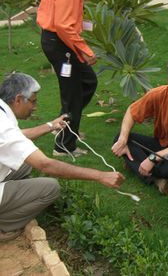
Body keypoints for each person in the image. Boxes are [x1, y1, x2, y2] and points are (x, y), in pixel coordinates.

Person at [0, 72, 125, 242]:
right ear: (18, 99)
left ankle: (10, 199)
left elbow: (17, 136)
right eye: (33, 101)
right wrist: (100, 175)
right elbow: (45, 165)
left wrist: (51, 125)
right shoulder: (4, 127)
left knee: (25, 163)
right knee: (50, 188)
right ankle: (5, 225)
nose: (35, 107)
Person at [111, 56, 168, 195]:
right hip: (161, 143)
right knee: (119, 138)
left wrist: (153, 158)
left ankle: (137, 164)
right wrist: (123, 140)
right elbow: (131, 112)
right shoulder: (158, 94)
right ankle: (157, 181)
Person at [37, 0, 98, 157]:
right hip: (60, 42)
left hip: (56, 39)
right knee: (73, 94)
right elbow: (63, 26)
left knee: (88, 82)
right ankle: (64, 146)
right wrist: (85, 50)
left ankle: (63, 126)